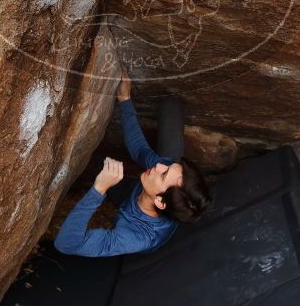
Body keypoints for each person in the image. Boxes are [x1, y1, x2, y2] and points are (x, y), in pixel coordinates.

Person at [54, 70, 211, 257]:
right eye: (168, 167)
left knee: (103, 175)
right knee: (170, 110)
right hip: (140, 193)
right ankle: (171, 105)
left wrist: (98, 190)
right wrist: (125, 100)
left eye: (164, 174)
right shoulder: (162, 177)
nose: (159, 166)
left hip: (130, 205)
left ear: (160, 201)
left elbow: (66, 244)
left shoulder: (136, 237)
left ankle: (105, 185)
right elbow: (140, 151)